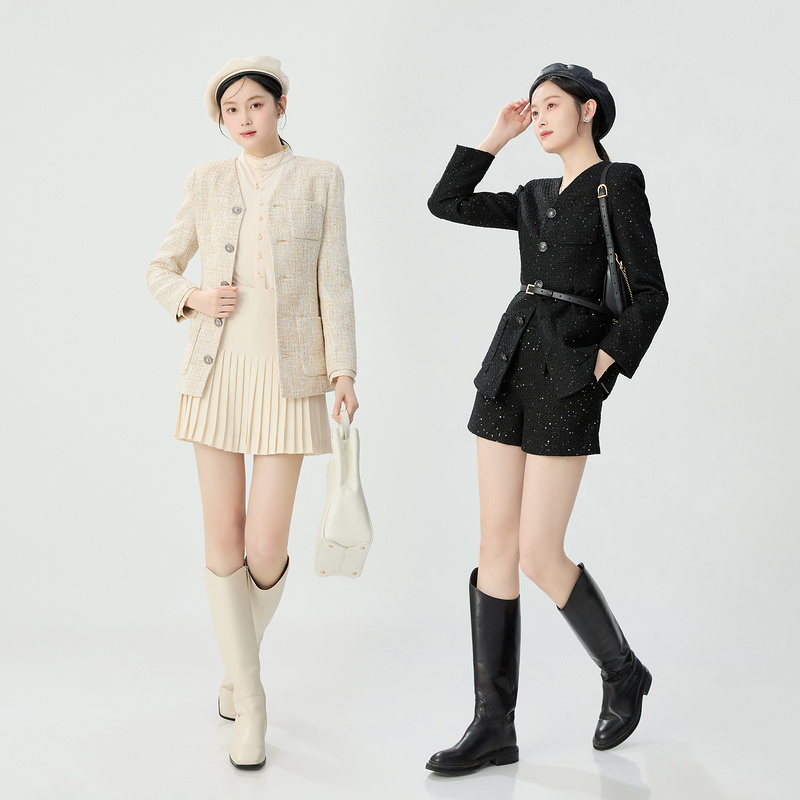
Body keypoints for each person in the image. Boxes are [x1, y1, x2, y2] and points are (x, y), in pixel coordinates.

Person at [424, 63, 668, 775]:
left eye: (550, 105)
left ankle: (623, 671)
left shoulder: (617, 183)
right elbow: (446, 202)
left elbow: (651, 293)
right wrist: (496, 136)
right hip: (508, 367)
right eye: (532, 109)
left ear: (588, 110)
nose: (538, 118)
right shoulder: (532, 195)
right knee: (495, 545)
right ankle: (492, 726)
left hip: (569, 375)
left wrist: (602, 363)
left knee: (538, 551)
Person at [145, 56, 358, 770]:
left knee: (266, 547)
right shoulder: (206, 180)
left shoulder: (321, 177)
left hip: (291, 375)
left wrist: (343, 369)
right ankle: (253, 699)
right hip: (215, 373)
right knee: (224, 535)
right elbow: (159, 267)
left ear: (281, 105)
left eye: (254, 105)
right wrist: (194, 298)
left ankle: (237, 672)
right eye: (230, 109)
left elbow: (335, 279)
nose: (243, 118)